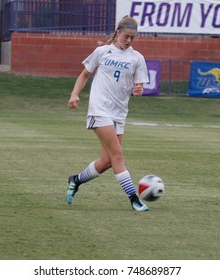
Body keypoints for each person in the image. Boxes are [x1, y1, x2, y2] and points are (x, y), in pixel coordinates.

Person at [66, 16, 149, 211]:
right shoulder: (102, 52)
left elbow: (138, 86)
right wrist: (74, 94)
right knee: (118, 156)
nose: (129, 41)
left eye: (133, 38)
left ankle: (75, 180)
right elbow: (85, 74)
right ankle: (134, 199)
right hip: (99, 109)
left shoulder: (137, 58)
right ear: (118, 33)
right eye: (126, 36)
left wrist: (139, 90)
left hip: (119, 113)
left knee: (107, 162)